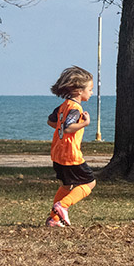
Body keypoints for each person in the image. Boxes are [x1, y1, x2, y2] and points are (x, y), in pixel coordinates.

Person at [45, 66, 96, 227]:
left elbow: (51, 121)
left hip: (57, 152)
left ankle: (54, 219)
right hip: (70, 154)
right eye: (90, 89)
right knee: (90, 182)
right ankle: (63, 205)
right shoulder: (75, 108)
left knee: (67, 185)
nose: (91, 92)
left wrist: (60, 128)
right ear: (79, 91)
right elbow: (68, 127)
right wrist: (85, 123)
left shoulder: (64, 106)